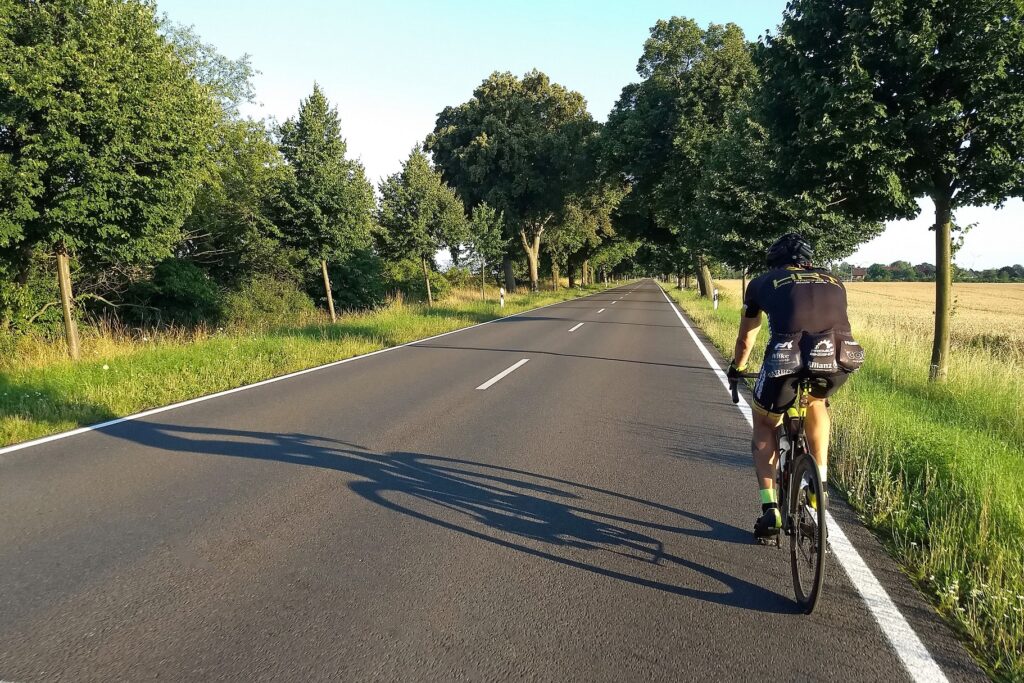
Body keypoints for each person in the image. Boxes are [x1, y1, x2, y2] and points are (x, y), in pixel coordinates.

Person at [727, 233, 862, 540]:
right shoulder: (835, 280)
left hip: (785, 358)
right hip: (840, 354)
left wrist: (738, 368)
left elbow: (746, 339)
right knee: (815, 402)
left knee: (764, 423)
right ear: (809, 261)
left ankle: (770, 508)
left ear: (774, 262)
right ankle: (820, 485)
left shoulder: (761, 283)